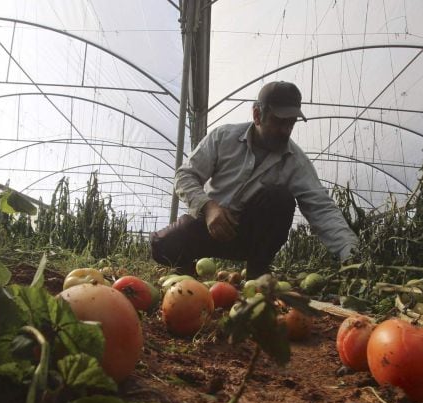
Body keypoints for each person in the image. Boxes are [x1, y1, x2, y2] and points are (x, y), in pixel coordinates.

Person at [150, 81, 358, 278]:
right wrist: (208, 207)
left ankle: (257, 272)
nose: (286, 130)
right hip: (211, 225)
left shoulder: (295, 161)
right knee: (162, 245)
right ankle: (188, 270)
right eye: (279, 122)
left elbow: (321, 208)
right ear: (257, 115)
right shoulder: (224, 137)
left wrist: (352, 256)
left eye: (291, 123)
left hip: (252, 238)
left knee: (280, 198)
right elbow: (185, 175)